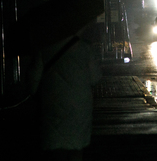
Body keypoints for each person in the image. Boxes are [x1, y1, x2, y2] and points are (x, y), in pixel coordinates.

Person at [28, 23, 102, 160]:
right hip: (79, 105)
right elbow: (96, 78)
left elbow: (33, 83)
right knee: (76, 146)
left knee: (56, 148)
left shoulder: (45, 49)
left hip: (52, 104)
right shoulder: (85, 48)